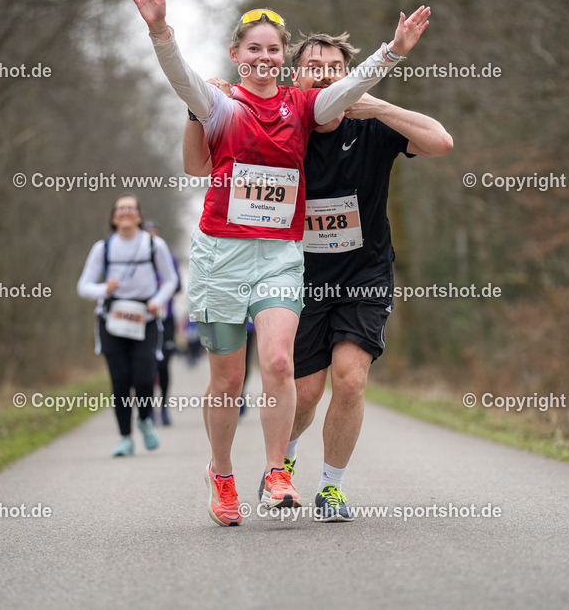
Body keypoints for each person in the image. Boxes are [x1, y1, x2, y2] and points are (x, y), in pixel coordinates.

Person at [127, 0, 430, 526]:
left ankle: (275, 473)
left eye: (273, 49)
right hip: (221, 255)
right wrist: (161, 30)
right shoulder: (220, 106)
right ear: (237, 54)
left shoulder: (302, 106)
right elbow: (180, 79)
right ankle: (221, 475)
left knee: (277, 360)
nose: (264, 58)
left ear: (283, 56)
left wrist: (391, 52)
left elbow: (345, 90)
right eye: (254, 50)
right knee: (225, 378)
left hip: (279, 255)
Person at [183, 32, 452, 522]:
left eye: (335, 68)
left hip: (363, 274)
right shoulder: (288, 125)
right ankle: (280, 462)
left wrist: (378, 107)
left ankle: (330, 486)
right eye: (314, 66)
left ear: (349, 77)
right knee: (302, 392)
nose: (325, 73)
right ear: (295, 76)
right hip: (297, 274)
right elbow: (209, 166)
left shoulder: (371, 126)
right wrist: (208, 105)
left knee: (350, 380)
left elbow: (441, 141)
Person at [77, 194, 178, 457]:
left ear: (139, 216)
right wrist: (104, 288)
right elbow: (83, 286)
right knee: (120, 381)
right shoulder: (104, 247)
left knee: (145, 377)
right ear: (113, 217)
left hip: (145, 317)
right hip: (112, 320)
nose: (126, 212)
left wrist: (157, 301)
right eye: (120, 208)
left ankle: (144, 419)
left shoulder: (155, 245)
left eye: (131, 208)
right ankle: (125, 437)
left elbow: (171, 280)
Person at [144, 220, 180, 426]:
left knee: (164, 364)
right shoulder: (137, 260)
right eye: (148, 234)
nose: (152, 238)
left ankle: (164, 408)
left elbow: (177, 285)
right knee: (146, 365)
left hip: (166, 319)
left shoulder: (169, 258)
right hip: (145, 320)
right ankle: (148, 411)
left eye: (155, 234)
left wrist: (161, 289)